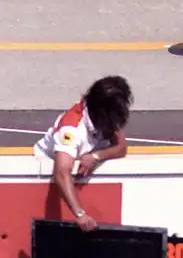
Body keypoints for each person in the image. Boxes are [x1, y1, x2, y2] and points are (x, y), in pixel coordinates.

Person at [33, 76, 133, 232]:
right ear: (104, 111)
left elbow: (121, 148)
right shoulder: (71, 129)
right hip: (42, 176)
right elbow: (61, 173)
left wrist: (96, 156)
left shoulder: (106, 118)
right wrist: (80, 214)